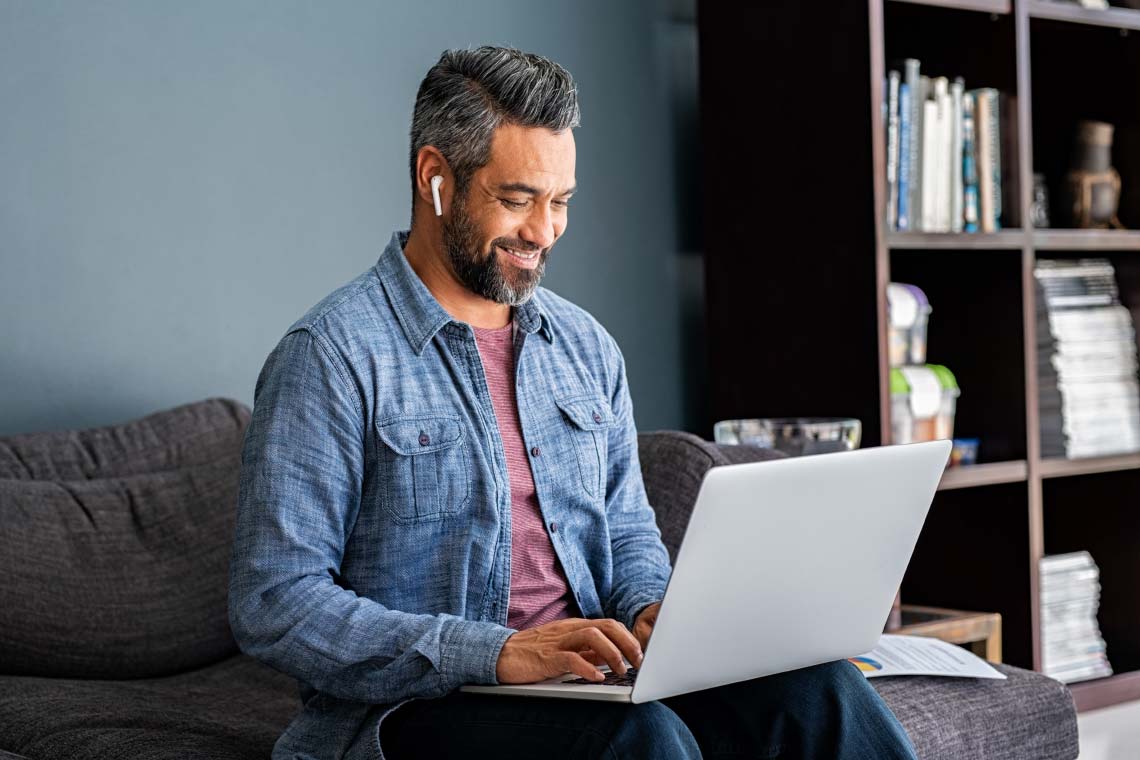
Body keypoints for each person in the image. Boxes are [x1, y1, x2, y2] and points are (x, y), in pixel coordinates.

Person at [228, 45, 919, 760]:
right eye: (517, 198)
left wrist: (655, 613)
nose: (544, 231)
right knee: (633, 736)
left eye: (560, 202)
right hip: (418, 708)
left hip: (586, 682)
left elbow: (626, 537)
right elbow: (276, 602)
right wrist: (498, 653)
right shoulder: (332, 354)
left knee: (818, 690)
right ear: (435, 177)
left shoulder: (585, 348)